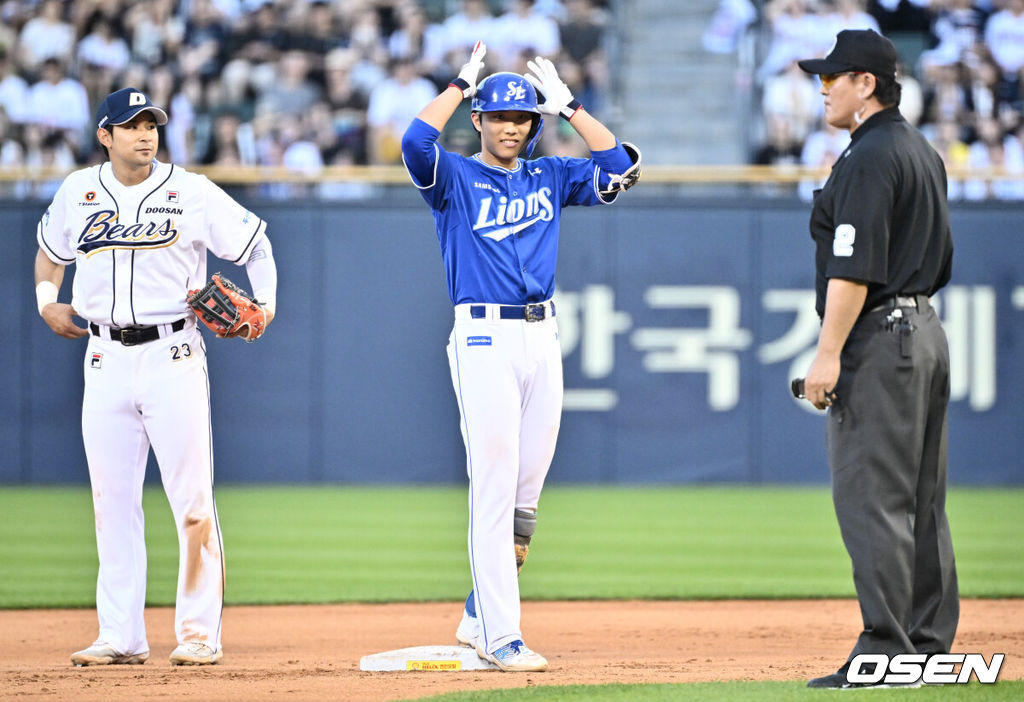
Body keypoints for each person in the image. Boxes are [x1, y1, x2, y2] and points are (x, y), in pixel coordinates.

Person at [401, 42, 640, 672]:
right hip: (482, 335)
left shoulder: (551, 174)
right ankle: (501, 634)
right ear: (478, 120)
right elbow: (413, 145)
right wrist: (458, 85)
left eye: (524, 118)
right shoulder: (453, 175)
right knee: (494, 483)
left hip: (542, 336)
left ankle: (480, 613)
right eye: (501, 116)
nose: (512, 126)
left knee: (524, 500)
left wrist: (571, 108)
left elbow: (620, 167)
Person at [34, 87, 278, 667]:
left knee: (192, 500)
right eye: (132, 125)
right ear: (105, 135)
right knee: (111, 500)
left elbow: (256, 245)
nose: (146, 134)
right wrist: (47, 301)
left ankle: (199, 633)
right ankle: (120, 636)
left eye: (152, 124)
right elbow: (49, 252)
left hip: (173, 354)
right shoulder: (78, 190)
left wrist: (264, 307)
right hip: (103, 357)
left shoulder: (189, 190)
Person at [796, 29, 958, 688]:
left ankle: (887, 650)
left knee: (874, 501)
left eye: (833, 76)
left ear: (867, 83)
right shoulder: (919, 149)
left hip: (881, 339)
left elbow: (854, 267)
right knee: (921, 501)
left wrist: (828, 354)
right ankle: (925, 644)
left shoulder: (866, 157)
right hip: (924, 332)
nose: (823, 87)